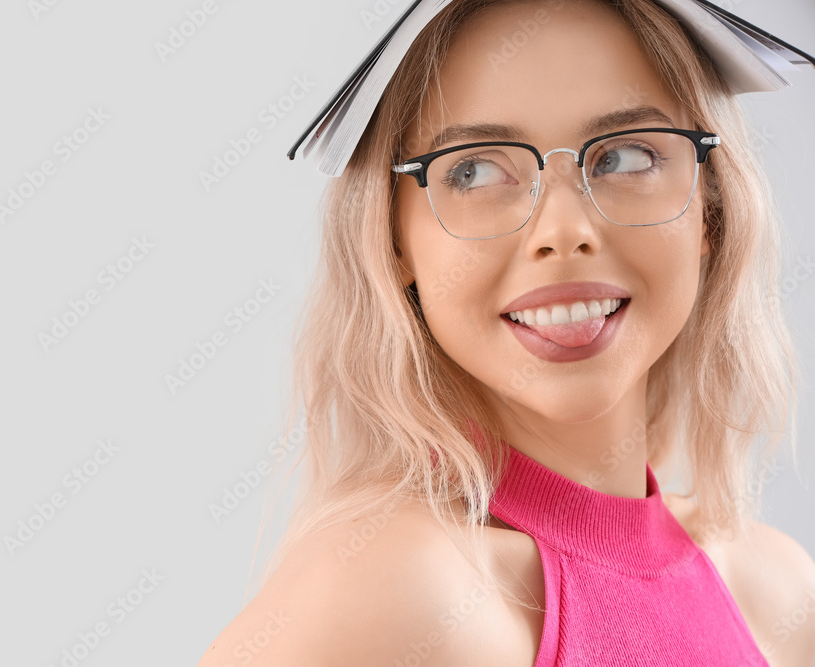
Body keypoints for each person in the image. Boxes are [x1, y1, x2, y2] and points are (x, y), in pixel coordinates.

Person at [199, 0, 815, 664]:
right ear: (392, 238)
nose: (563, 233)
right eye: (474, 170)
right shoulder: (400, 593)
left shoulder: (780, 592)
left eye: (626, 156)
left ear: (709, 211)